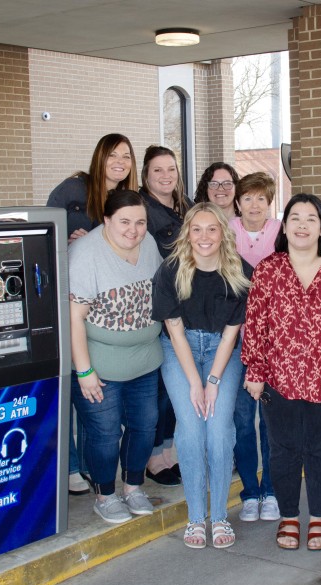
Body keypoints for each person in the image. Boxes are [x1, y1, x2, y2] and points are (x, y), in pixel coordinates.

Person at [242, 193, 321, 551]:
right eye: (295, 217)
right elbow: (256, 324)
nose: (303, 225)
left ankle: (318, 518)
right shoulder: (268, 269)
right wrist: (255, 371)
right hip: (279, 378)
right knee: (284, 450)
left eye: (311, 218)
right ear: (284, 225)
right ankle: (289, 516)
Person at [153, 203, 252, 549]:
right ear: (187, 234)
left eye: (212, 229)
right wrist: (195, 382)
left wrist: (212, 381)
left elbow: (231, 333)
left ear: (224, 233)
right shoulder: (170, 271)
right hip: (179, 350)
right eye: (197, 229)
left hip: (223, 351)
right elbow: (174, 330)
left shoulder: (240, 272)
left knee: (220, 429)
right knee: (192, 428)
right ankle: (197, 517)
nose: (204, 236)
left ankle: (220, 515)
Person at [47, 133, 139, 495]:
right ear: (99, 157)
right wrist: (66, 240)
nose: (120, 162)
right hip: (72, 298)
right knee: (74, 382)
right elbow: (46, 230)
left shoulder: (123, 200)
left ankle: (87, 465)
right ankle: (69, 465)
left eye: (127, 156)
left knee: (94, 392)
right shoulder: (73, 189)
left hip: (107, 308)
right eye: (113, 155)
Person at [68, 189, 162, 524]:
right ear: (106, 220)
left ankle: (133, 486)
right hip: (100, 365)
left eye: (140, 222)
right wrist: (84, 371)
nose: (133, 230)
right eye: (124, 221)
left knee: (144, 426)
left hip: (146, 361)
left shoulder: (148, 243)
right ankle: (105, 494)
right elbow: (74, 316)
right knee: (106, 433)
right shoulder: (85, 253)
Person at [139, 145, 195, 487]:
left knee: (179, 383)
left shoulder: (185, 205)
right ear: (146, 175)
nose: (165, 176)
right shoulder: (142, 208)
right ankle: (153, 456)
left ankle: (170, 449)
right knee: (161, 387)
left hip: (188, 303)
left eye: (171, 169)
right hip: (160, 306)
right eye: (158, 170)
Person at [228, 172, 282, 522]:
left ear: (269, 202)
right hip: (234, 342)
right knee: (243, 421)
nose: (254, 205)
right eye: (247, 198)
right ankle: (250, 491)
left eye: (261, 198)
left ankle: (273, 490)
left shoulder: (282, 232)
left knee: (272, 423)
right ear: (238, 202)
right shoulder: (225, 230)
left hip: (274, 343)